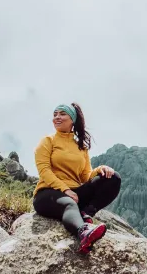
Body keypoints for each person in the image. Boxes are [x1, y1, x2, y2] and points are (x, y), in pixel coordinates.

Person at [32, 102, 121, 254]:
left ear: (72, 119)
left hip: (74, 193)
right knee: (69, 204)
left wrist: (101, 169)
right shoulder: (48, 141)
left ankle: (86, 213)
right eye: (55, 115)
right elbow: (44, 171)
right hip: (48, 193)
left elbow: (85, 175)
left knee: (113, 178)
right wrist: (65, 190)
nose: (57, 118)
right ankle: (83, 233)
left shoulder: (81, 146)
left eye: (62, 114)